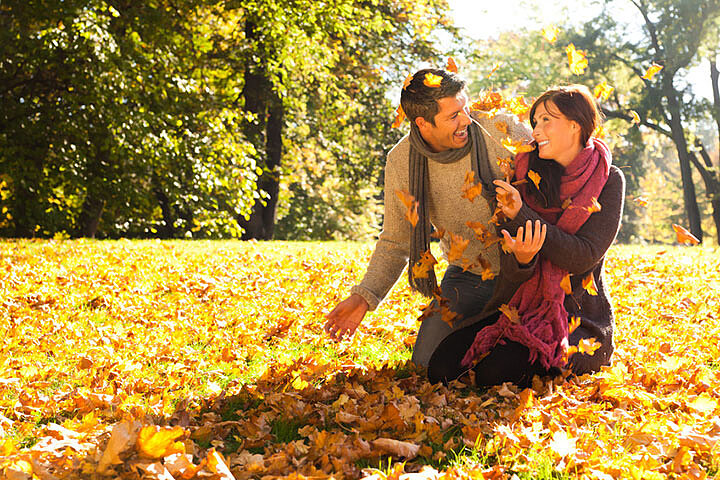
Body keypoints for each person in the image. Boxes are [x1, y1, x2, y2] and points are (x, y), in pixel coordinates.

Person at [323, 68, 532, 367]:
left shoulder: (499, 129)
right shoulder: (402, 162)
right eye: (453, 116)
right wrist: (365, 296)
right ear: (422, 123)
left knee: (509, 365)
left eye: (465, 108)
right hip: (469, 275)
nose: (466, 120)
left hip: (529, 272)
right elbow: (396, 240)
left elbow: (554, 171)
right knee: (426, 363)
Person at [427, 84, 625, 387]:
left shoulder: (608, 178)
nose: (536, 130)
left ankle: (577, 355)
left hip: (577, 317)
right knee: (440, 366)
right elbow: (509, 264)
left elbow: (582, 256)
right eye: (535, 121)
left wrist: (522, 215)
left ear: (575, 125)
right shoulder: (524, 174)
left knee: (495, 373)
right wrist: (521, 261)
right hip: (518, 309)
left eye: (547, 120)